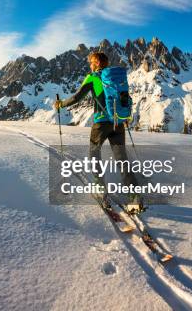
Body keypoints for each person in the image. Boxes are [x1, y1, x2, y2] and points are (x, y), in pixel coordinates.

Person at [53, 51, 143, 211]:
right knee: (122, 159)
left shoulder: (92, 77)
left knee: (94, 154)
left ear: (96, 63)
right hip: (118, 122)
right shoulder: (115, 78)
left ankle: (100, 190)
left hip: (100, 124)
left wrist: (61, 104)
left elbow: (76, 97)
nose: (89, 65)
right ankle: (135, 196)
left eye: (91, 62)